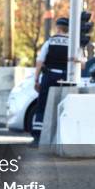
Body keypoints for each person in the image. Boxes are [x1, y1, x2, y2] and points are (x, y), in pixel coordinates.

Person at [31, 17, 69, 146]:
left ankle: (37, 138)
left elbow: (40, 61)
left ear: (57, 27)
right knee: (63, 106)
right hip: (65, 78)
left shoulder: (50, 42)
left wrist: (36, 79)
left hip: (49, 77)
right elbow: (82, 65)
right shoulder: (73, 43)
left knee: (42, 105)